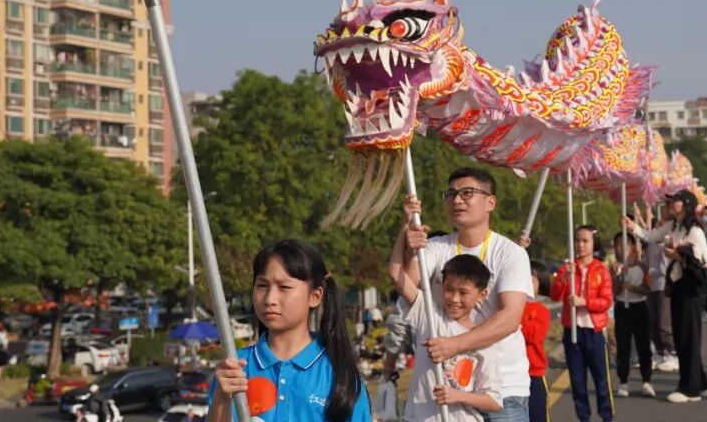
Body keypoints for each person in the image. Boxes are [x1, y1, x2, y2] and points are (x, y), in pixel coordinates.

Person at [402, 167, 533, 421]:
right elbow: (407, 283)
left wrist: (453, 345)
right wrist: (406, 240)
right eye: (451, 194)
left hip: (502, 388)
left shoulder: (510, 253)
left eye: (467, 193)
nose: (457, 200)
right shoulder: (436, 247)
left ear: (490, 202)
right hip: (449, 386)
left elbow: (510, 318)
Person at [208, 239, 370, 422]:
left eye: (284, 287)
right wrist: (221, 398)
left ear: (314, 297)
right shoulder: (235, 368)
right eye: (262, 285)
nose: (270, 298)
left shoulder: (340, 374)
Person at [388, 243, 502, 421]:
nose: (454, 299)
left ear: (482, 295)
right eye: (449, 289)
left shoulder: (482, 340)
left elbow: (494, 402)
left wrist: (457, 396)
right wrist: (405, 233)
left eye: (463, 292)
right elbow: (396, 275)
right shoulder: (429, 317)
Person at [623, 189, 707, 404]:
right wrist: (632, 227)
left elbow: (705, 261)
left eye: (675, 201)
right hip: (679, 287)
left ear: (687, 204)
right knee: (684, 334)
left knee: (687, 337)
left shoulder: (694, 230)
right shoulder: (674, 227)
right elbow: (651, 236)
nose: (671, 204)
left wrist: (678, 254)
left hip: (691, 290)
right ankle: (701, 383)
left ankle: (690, 389)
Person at [550, 226, 615, 421]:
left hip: (594, 333)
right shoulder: (567, 269)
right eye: (577, 240)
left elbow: (606, 302)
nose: (580, 245)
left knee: (601, 381)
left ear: (593, 244)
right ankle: (583, 418)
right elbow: (555, 295)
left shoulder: (601, 270)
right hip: (572, 333)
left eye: (585, 241)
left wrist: (584, 302)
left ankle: (607, 417)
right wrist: (563, 277)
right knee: (577, 382)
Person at [634, 203, 678, 372]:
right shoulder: (653, 238)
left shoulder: (667, 239)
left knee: (663, 321)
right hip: (652, 285)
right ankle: (660, 353)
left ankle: (672, 354)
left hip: (663, 284)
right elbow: (646, 232)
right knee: (652, 321)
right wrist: (640, 214)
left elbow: (666, 265)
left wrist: (652, 271)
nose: (658, 226)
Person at [611, 231, 655, 399]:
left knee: (643, 345)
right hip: (622, 307)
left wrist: (634, 288)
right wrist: (618, 278)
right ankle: (623, 382)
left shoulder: (642, 266)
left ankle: (646, 381)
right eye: (617, 245)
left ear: (632, 246)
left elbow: (647, 290)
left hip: (639, 308)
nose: (621, 248)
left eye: (625, 244)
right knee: (623, 347)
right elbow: (614, 292)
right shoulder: (615, 267)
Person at [521, 261, 552, 422]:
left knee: (537, 416)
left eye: (532, 280)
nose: (526, 283)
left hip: (534, 375)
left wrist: (515, 316)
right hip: (513, 375)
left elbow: (533, 335)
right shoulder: (507, 305)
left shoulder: (542, 311)